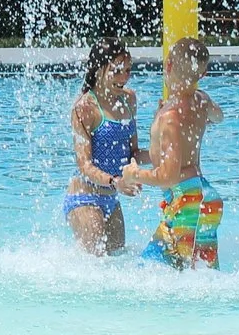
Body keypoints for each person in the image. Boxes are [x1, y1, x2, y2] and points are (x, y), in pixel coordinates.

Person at [140, 37, 226, 268]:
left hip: (185, 200)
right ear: (204, 73)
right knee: (203, 277)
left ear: (167, 65)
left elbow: (168, 175)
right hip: (208, 199)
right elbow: (219, 116)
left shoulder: (169, 116)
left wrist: (133, 175)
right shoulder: (201, 101)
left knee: (147, 269)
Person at [66, 40, 144, 255]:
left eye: (128, 70)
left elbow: (133, 153)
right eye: (117, 71)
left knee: (119, 260)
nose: (124, 77)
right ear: (99, 69)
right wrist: (115, 181)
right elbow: (84, 165)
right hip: (84, 197)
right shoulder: (84, 107)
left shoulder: (129, 99)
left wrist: (164, 153)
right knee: (96, 265)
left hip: (111, 196)